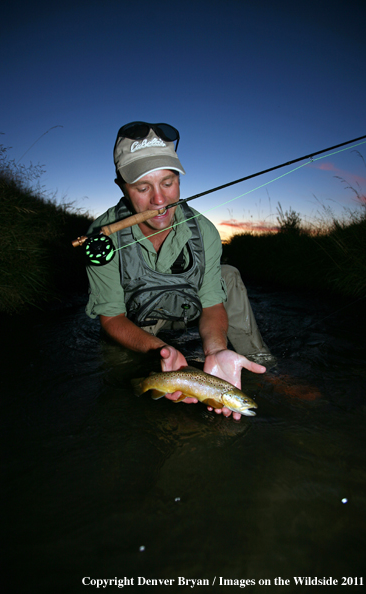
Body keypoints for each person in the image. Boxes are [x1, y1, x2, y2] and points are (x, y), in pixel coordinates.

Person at [86, 121, 272, 420]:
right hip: (138, 324)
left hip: (190, 308)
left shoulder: (206, 232)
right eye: (143, 187)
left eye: (168, 183)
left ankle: (262, 363)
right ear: (122, 186)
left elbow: (212, 302)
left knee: (228, 273)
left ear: (179, 181)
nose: (159, 200)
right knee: (117, 380)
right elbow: (111, 318)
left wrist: (214, 351)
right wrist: (162, 351)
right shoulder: (100, 238)